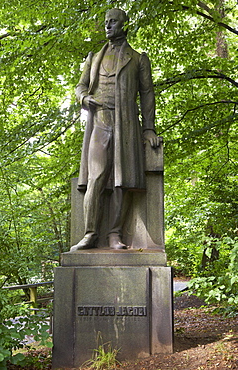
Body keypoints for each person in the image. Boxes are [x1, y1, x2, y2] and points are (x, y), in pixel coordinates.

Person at [70, 8, 159, 252]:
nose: (108, 26)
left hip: (126, 122)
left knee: (122, 180)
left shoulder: (138, 59)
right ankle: (89, 234)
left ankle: (114, 234)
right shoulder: (94, 57)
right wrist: (84, 98)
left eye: (113, 22)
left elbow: (147, 93)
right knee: (95, 178)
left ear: (124, 25)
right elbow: (81, 86)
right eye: (106, 22)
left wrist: (148, 129)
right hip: (100, 120)